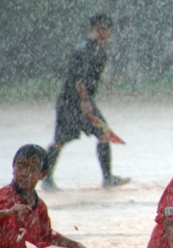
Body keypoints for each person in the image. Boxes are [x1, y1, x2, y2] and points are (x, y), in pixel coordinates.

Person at [42, 12, 130, 191]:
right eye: (98, 29)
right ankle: (46, 179)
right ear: (91, 30)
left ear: (110, 33)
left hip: (84, 101)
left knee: (103, 134)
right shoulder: (84, 51)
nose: (101, 33)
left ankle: (107, 177)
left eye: (105, 30)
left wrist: (87, 101)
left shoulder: (101, 53)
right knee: (59, 140)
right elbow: (78, 81)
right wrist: (85, 103)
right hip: (71, 103)